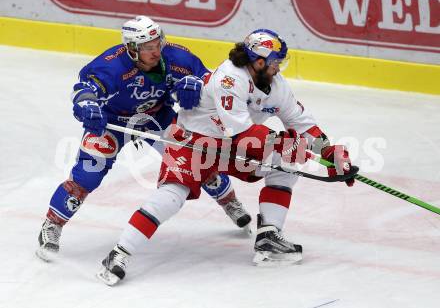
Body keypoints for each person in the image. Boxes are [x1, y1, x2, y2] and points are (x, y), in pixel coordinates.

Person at [97, 28, 355, 286]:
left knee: (285, 164)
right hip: (194, 143)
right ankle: (120, 253)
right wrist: (281, 142)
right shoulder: (229, 78)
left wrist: (329, 153)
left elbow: (302, 123)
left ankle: (268, 238)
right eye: (276, 62)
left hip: (232, 146)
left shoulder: (276, 85)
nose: (279, 68)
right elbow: (243, 133)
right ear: (259, 61)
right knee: (172, 197)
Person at [36, 16, 252, 262]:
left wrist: (195, 84)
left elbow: (208, 79)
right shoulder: (112, 65)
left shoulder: (177, 57)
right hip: (112, 121)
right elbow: (84, 88)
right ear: (131, 48)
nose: (156, 50)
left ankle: (230, 202)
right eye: (148, 47)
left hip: (156, 117)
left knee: (195, 160)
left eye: (158, 43)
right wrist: (88, 106)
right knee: (88, 173)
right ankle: (53, 223)